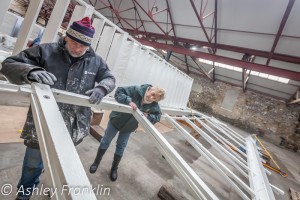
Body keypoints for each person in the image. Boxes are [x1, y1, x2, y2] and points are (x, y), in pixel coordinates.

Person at [0, 17, 115, 200]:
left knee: (60, 164)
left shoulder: (96, 61)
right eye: (75, 43)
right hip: (42, 122)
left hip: (74, 126)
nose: (78, 49)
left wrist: (103, 87)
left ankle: (52, 187)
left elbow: (109, 78)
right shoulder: (45, 51)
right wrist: (30, 71)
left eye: (83, 46)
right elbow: (8, 64)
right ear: (66, 37)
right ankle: (23, 196)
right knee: (32, 165)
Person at [89, 84, 165, 181]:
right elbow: (119, 92)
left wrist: (149, 117)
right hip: (116, 120)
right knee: (105, 141)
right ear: (150, 89)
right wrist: (129, 101)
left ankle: (114, 168)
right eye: (152, 94)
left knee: (121, 147)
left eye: (155, 98)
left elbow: (158, 116)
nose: (151, 97)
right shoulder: (136, 90)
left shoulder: (154, 105)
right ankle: (96, 162)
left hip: (129, 127)